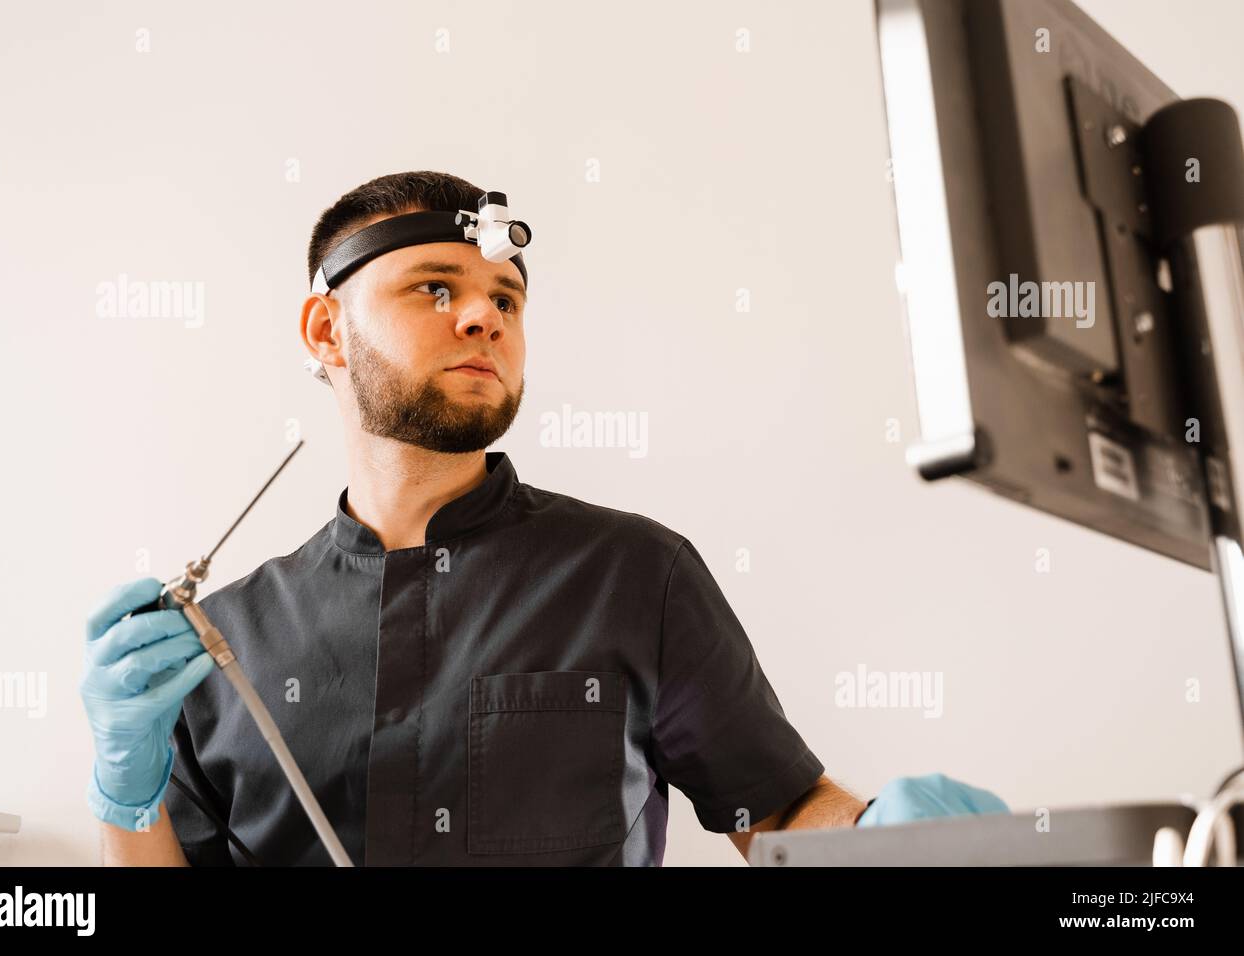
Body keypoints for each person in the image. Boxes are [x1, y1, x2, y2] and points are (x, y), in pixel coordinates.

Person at [80, 170, 1008, 866]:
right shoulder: (220, 639)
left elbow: (773, 810)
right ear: (327, 331)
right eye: (435, 288)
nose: (484, 315)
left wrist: (881, 842)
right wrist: (126, 800)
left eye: (506, 298)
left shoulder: (635, 574)